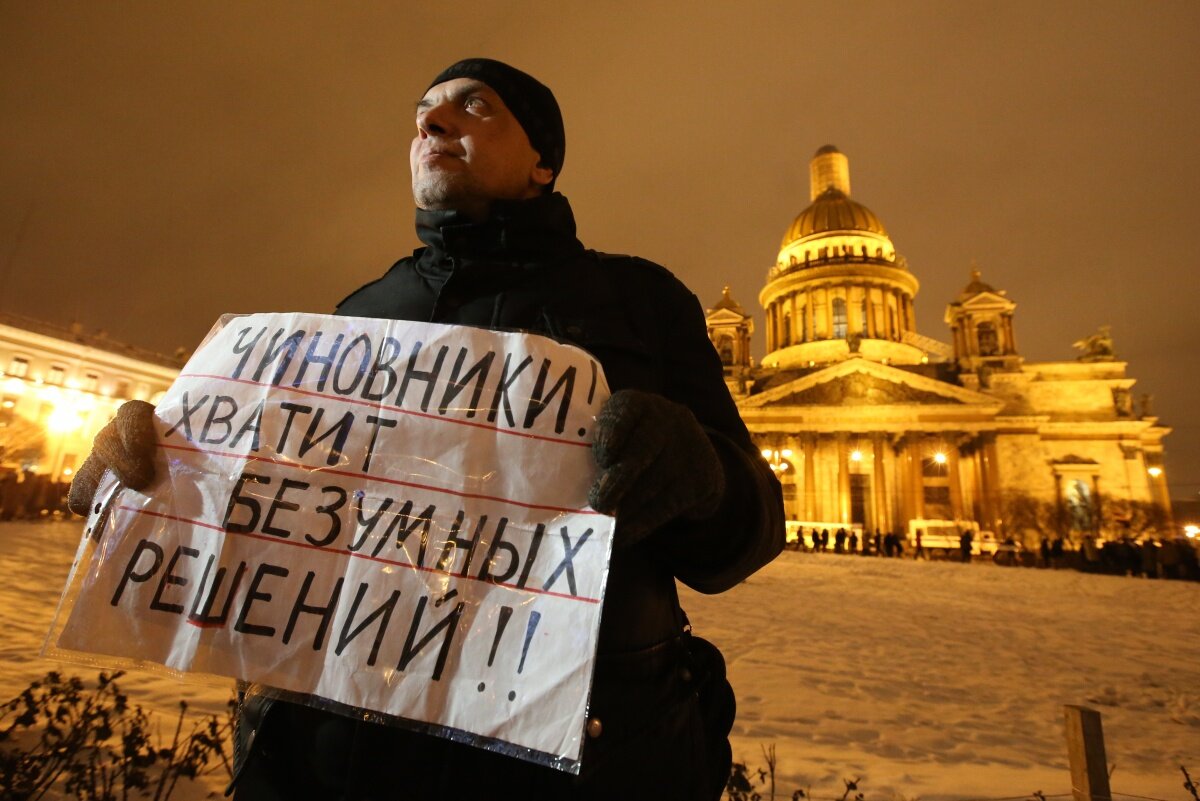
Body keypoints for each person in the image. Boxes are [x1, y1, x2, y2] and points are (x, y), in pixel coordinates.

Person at [67, 59, 784, 801]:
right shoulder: (352, 316)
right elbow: (259, 510)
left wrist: (703, 476)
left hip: (578, 760)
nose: (432, 123)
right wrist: (146, 478)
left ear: (543, 160)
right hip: (330, 761)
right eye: (424, 111)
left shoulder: (642, 299)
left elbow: (754, 529)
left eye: (475, 106)